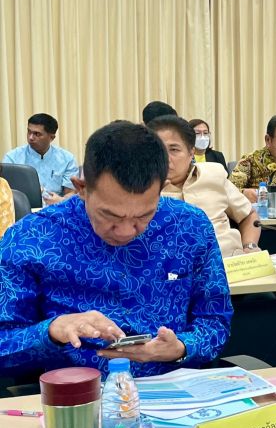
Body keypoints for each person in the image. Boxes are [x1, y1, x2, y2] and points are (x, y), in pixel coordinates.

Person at [0, 121, 232, 377]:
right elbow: (3, 343)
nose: (125, 231)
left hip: (174, 387)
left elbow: (215, 322)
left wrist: (181, 348)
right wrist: (53, 330)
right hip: (79, 393)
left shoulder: (190, 226)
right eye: (109, 215)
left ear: (162, 188)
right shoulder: (32, 237)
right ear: (81, 188)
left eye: (143, 216)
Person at [148, 116, 261, 258]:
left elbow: (248, 215)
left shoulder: (214, 175)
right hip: (173, 265)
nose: (165, 158)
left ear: (191, 153)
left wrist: (250, 246)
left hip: (228, 260)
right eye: (158, 150)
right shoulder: (142, 190)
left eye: (174, 149)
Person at [3, 113, 79, 204]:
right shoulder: (12, 158)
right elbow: (5, 192)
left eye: (37, 134)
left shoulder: (67, 159)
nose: (31, 137)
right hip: (23, 208)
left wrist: (61, 201)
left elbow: (71, 192)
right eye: (29, 132)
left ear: (51, 137)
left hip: (55, 208)